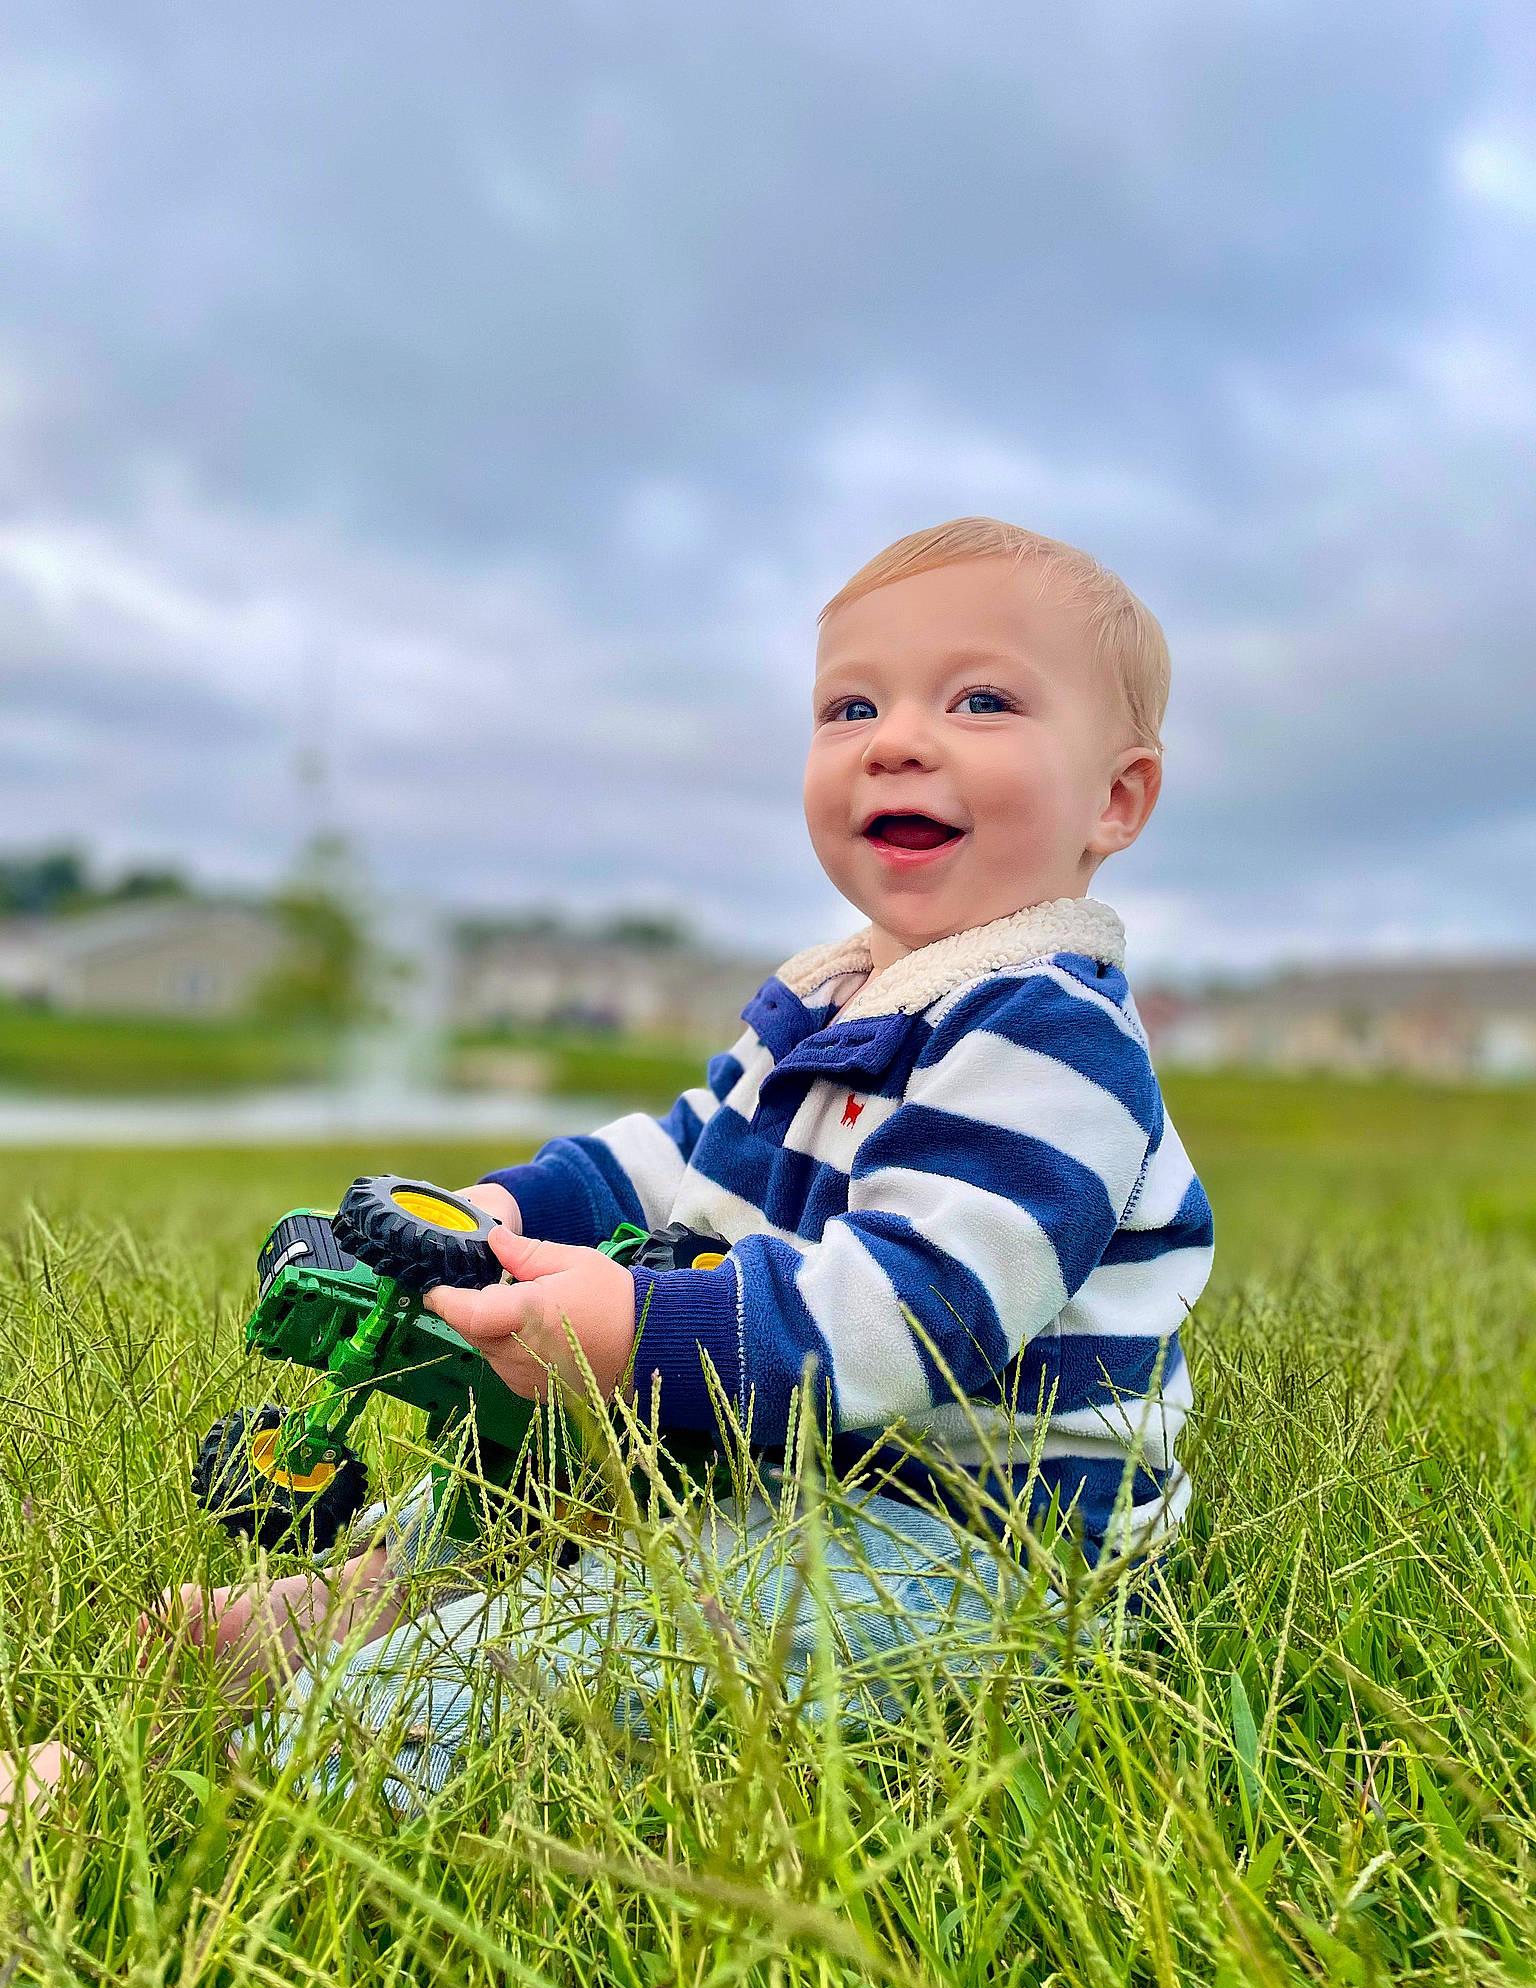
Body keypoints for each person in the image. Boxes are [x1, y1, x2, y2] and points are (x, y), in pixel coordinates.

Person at [150, 516, 1216, 1803]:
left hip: (967, 1543)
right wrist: (506, 1207)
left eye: (982, 698)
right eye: (851, 705)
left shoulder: (1048, 1036)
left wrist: (639, 1332)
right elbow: (674, 1159)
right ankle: (355, 1602)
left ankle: (263, 1780)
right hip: (780, 1459)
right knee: (532, 1467)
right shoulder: (836, 1001)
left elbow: (919, 1320)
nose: (896, 737)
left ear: (1118, 797)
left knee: (586, 1646)